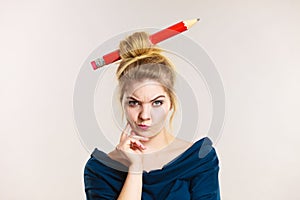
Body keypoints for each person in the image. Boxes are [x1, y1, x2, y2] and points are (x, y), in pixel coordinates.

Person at [84, 32, 220, 199]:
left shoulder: (200, 159)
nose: (145, 115)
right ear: (123, 104)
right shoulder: (99, 169)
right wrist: (135, 169)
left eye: (157, 103)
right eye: (134, 103)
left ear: (171, 102)